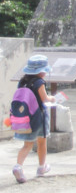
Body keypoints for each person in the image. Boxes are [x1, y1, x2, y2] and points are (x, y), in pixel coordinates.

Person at [12, 55, 55, 183]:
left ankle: (18, 166)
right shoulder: (39, 83)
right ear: (41, 71)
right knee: (42, 142)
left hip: (25, 117)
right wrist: (53, 98)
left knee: (27, 145)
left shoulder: (22, 82)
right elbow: (45, 99)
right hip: (38, 116)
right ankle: (41, 167)